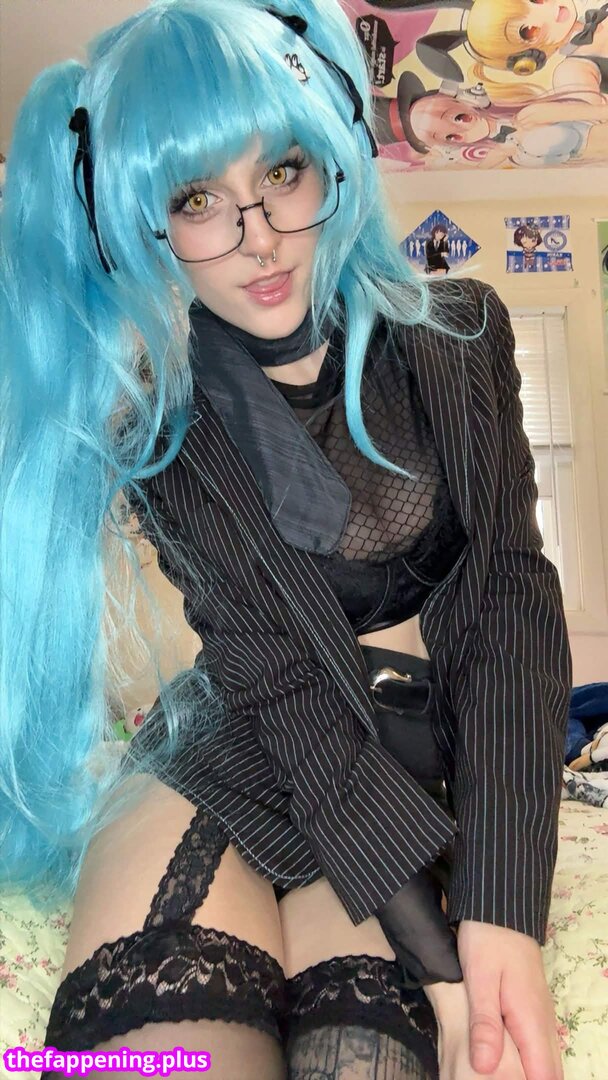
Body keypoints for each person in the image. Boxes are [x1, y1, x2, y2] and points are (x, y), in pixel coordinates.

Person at [0, 1, 571, 1078]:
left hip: (404, 774)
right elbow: (282, 688)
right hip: (234, 749)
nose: (256, 236)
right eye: (196, 199)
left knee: (364, 1052)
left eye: (280, 173)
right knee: (165, 1040)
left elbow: (505, 598)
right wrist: (444, 973)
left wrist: (499, 919)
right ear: (141, 224)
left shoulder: (459, 332)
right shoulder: (160, 428)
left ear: (331, 161)